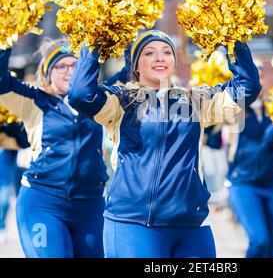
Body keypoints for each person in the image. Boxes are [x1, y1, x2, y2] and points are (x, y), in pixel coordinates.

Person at [68, 29, 262, 258]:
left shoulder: (196, 100)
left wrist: (234, 39)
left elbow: (247, 88)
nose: (160, 57)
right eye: (149, 53)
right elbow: (81, 95)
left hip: (191, 224)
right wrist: (93, 42)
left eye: (167, 52)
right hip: (134, 223)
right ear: (135, 66)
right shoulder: (121, 101)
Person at [0, 40, 109, 258]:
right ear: (48, 72)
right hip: (44, 202)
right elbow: (2, 83)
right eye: (61, 66)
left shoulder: (99, 100)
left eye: (75, 65)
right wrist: (8, 38)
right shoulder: (34, 99)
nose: (70, 71)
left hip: (91, 203)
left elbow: (130, 74)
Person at [226, 64, 273, 258]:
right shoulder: (233, 107)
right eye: (253, 77)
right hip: (244, 184)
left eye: (260, 76)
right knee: (259, 240)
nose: (257, 81)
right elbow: (212, 136)